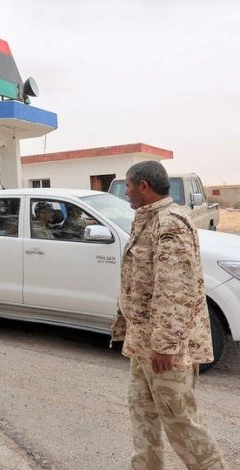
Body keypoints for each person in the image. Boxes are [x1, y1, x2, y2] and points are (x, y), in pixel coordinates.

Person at [112, 161, 225, 469]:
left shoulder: (169, 224)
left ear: (144, 186)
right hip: (142, 345)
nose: (127, 192)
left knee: (181, 424)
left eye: (128, 185)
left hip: (165, 351)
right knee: (142, 418)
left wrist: (165, 346)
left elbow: (175, 289)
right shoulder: (147, 219)